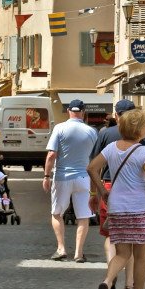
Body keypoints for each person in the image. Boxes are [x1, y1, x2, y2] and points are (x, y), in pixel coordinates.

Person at [88, 108, 145, 289]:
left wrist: (102, 191)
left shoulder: (111, 148)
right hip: (140, 208)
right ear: (139, 129)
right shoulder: (144, 152)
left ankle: (107, 282)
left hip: (117, 207)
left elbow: (92, 168)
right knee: (140, 256)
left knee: (121, 253)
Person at [45, 100, 99, 263]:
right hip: (84, 177)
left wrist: (47, 176)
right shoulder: (92, 131)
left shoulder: (59, 128)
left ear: (68, 111)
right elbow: (95, 158)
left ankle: (61, 248)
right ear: (83, 111)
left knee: (56, 213)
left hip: (62, 177)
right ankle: (79, 253)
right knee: (83, 216)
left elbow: (51, 155)